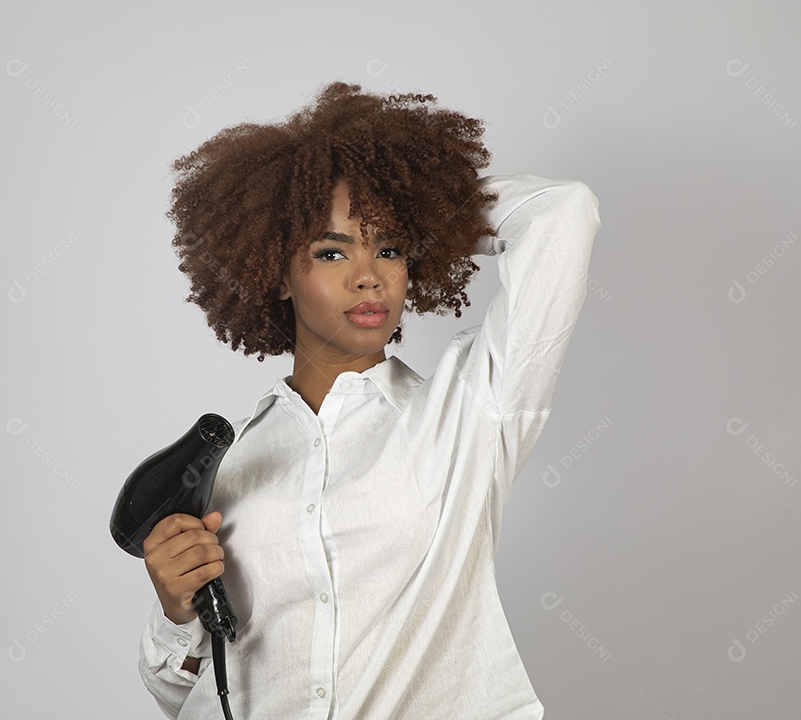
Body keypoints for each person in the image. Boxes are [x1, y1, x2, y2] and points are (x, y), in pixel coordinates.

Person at [136, 81, 601, 719]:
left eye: (389, 248)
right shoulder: (228, 462)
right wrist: (175, 612)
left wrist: (430, 209)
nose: (369, 275)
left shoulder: (472, 411)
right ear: (276, 271)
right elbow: (178, 693)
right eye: (332, 251)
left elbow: (562, 213)